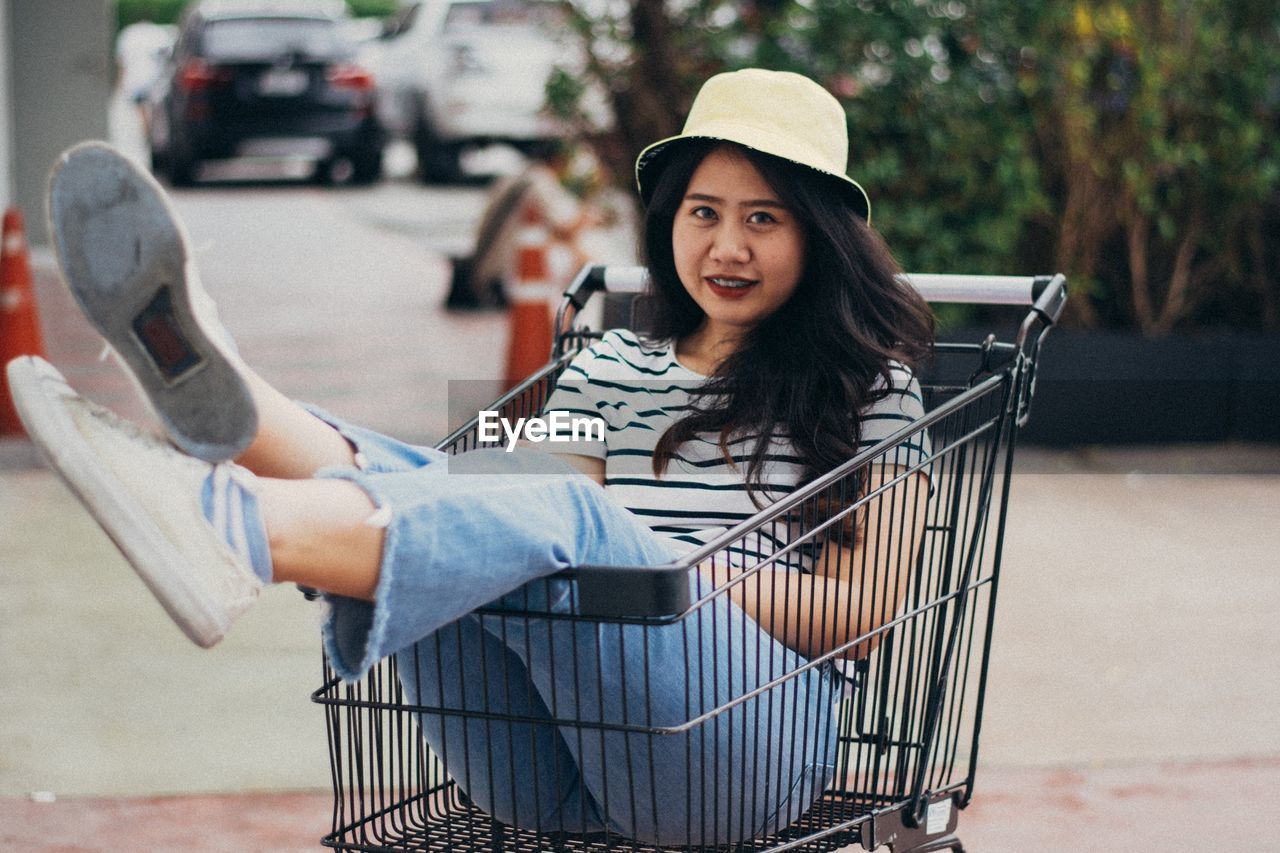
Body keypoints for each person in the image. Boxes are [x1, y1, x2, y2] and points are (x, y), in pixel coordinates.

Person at [6, 68, 934, 846]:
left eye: (765, 220)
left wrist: (676, 574)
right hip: (548, 763)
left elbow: (864, 611)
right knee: (460, 478)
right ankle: (236, 401)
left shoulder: (869, 390)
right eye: (704, 212)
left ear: (820, 237)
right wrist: (586, 529)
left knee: (569, 520)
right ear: (670, 221)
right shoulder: (611, 366)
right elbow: (469, 480)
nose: (727, 246)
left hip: (745, 748)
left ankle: (235, 523)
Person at [447, 140, 610, 309]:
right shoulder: (540, 182)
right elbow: (563, 229)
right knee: (569, 258)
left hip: (486, 265)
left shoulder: (517, 175)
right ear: (559, 161)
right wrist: (586, 216)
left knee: (570, 251)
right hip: (500, 277)